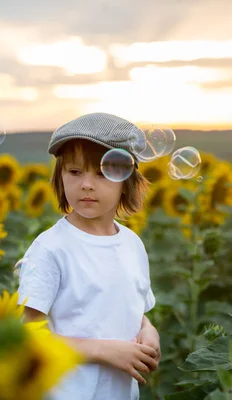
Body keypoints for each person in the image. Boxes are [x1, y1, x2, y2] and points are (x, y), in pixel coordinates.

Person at [16, 112, 160, 399]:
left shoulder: (132, 245)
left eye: (103, 172)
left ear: (126, 181)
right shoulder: (51, 248)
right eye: (75, 172)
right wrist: (103, 350)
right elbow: (31, 337)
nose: (87, 185)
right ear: (60, 177)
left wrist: (149, 330)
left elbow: (133, 308)